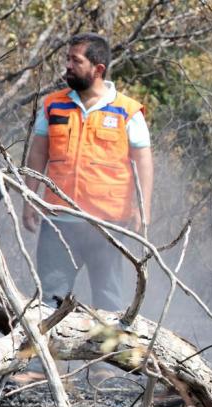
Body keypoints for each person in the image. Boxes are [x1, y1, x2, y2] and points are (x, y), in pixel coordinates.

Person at [22, 33, 153, 311]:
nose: (67, 66)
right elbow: (37, 154)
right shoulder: (52, 105)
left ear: (98, 69)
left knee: (110, 304)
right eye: (67, 59)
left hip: (107, 226)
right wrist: (29, 197)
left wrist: (143, 209)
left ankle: (109, 354)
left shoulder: (127, 111)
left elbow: (143, 163)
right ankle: (43, 354)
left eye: (75, 60)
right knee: (50, 302)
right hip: (59, 222)